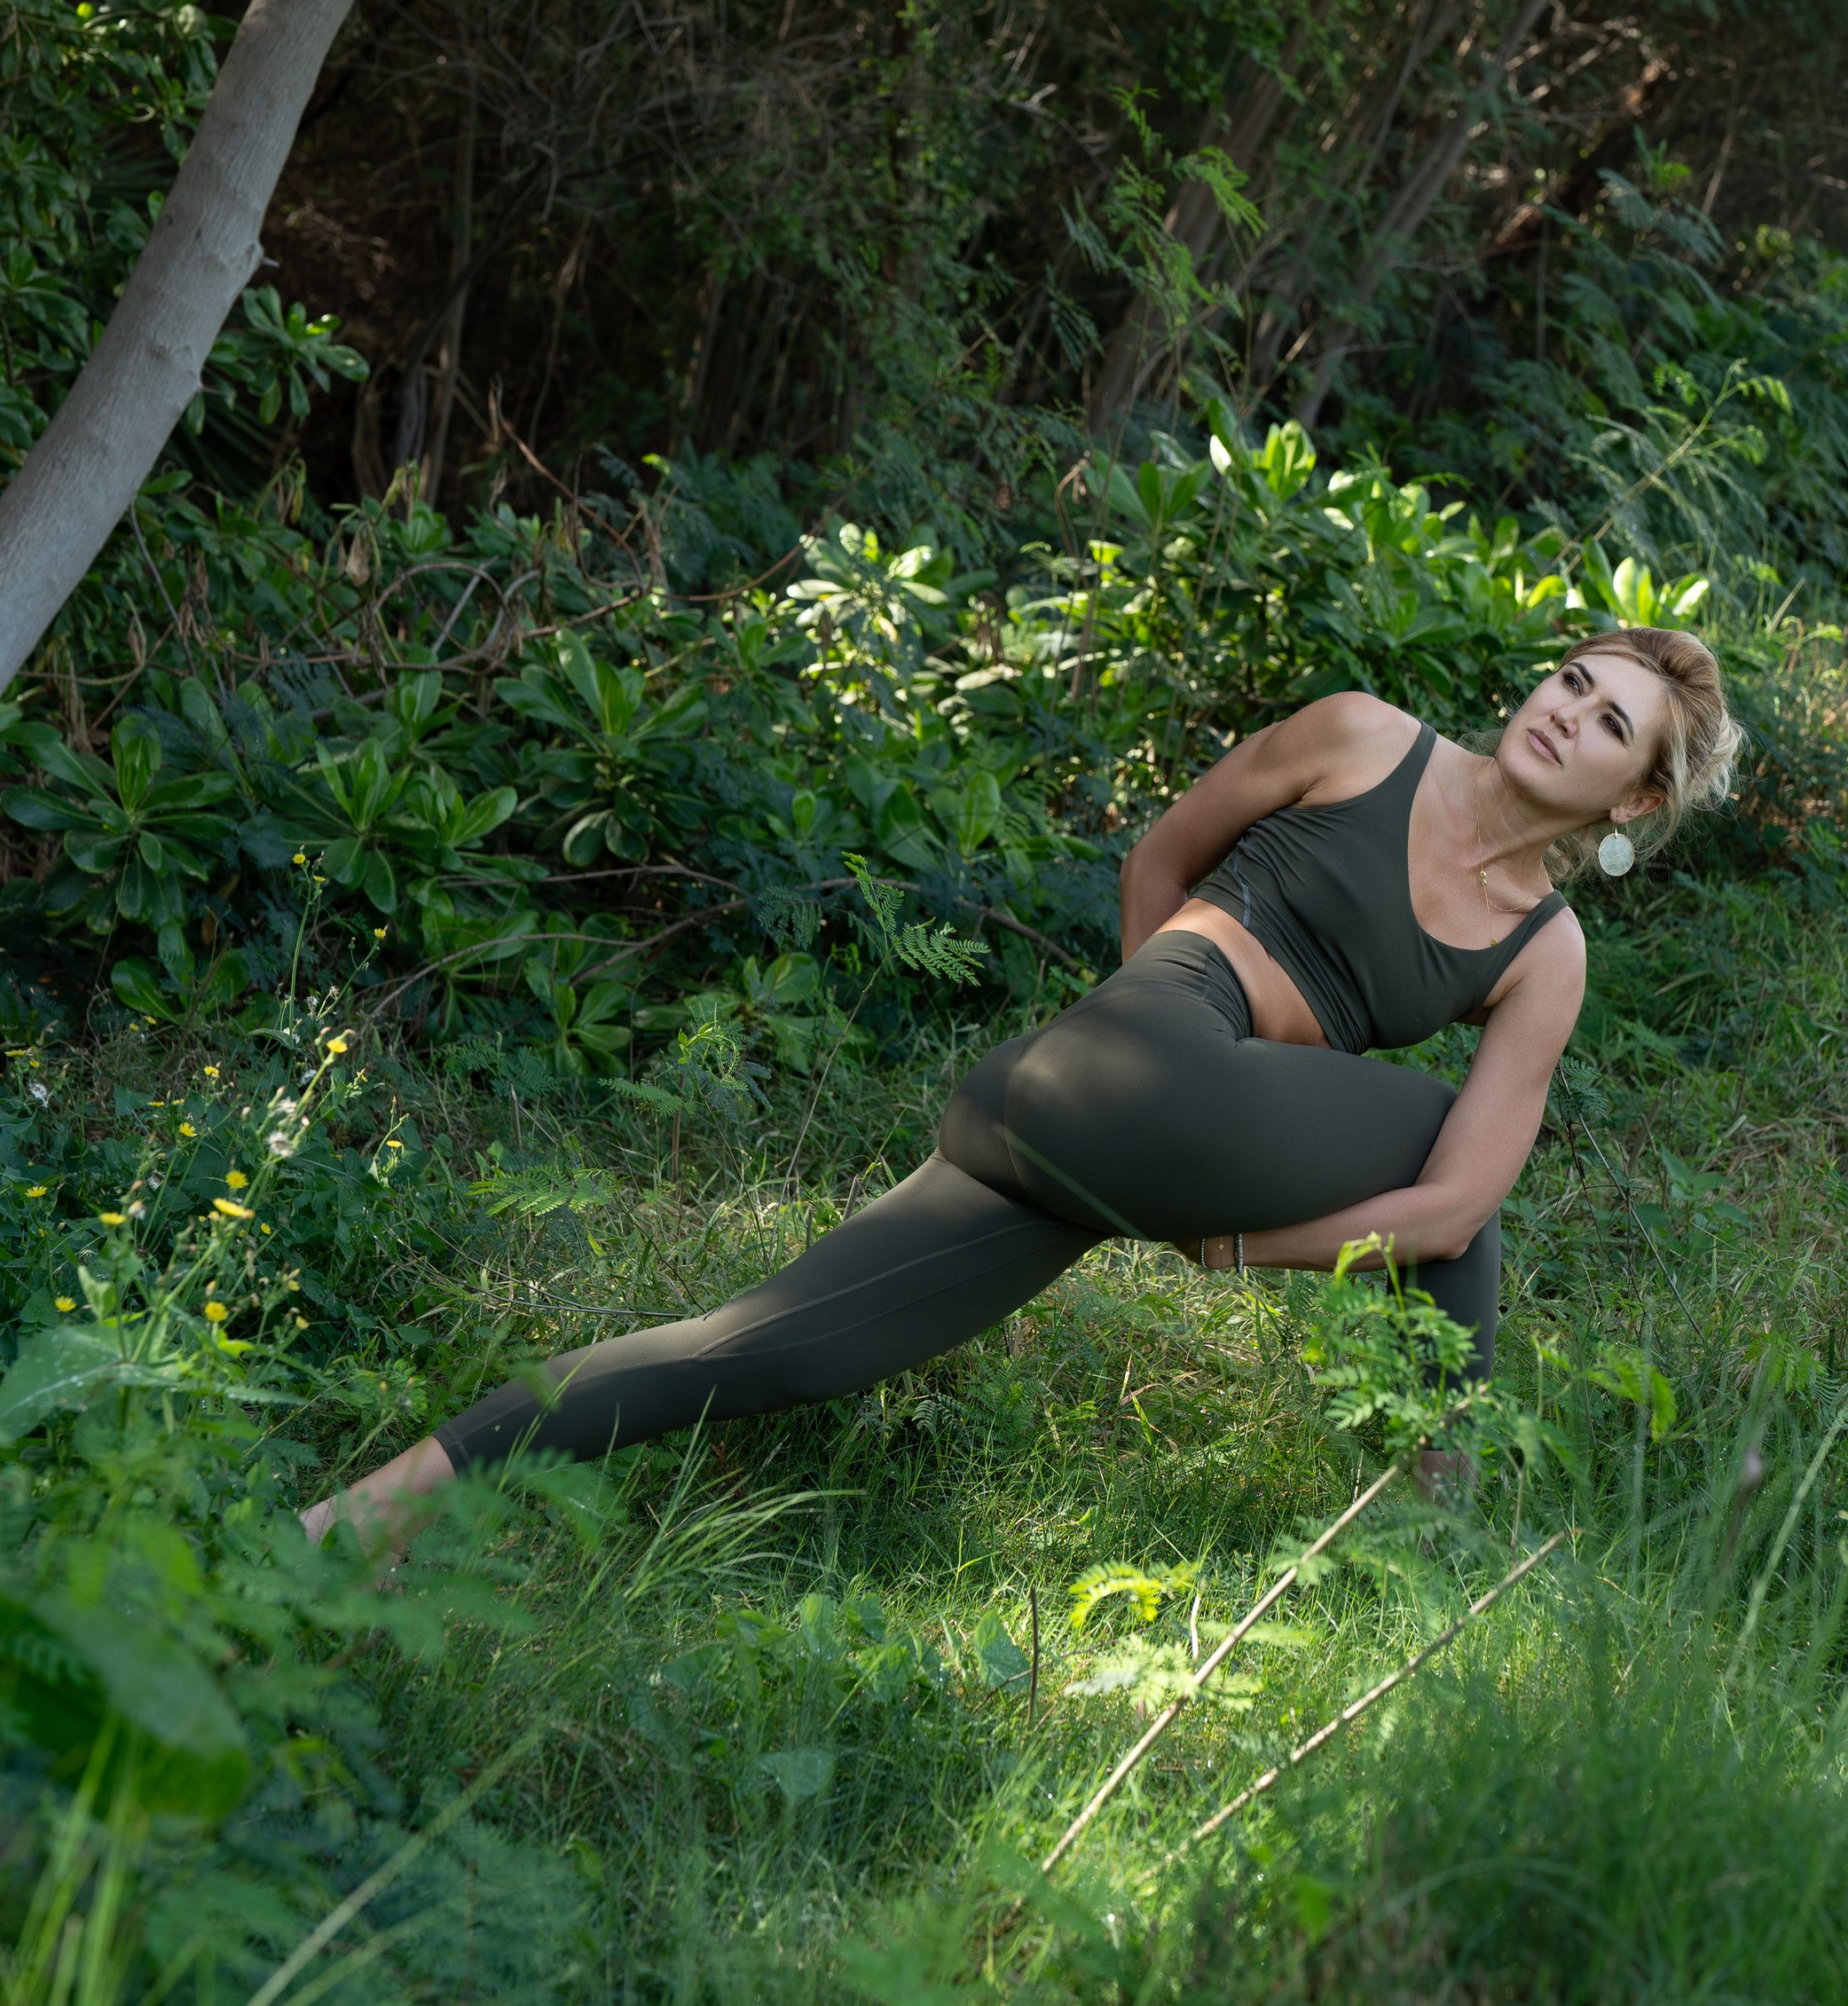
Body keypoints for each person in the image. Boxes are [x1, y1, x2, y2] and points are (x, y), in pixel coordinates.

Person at [303, 626, 1740, 1552]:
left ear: (1629, 805)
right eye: (1572, 679)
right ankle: (1445, 1534)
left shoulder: (1547, 956)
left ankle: (357, 1517)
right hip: (1123, 1064)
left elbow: (1458, 1212)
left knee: (761, 1348)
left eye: (1610, 724)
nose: (1566, 712)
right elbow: (1161, 859)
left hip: (1095, 1126)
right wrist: (1154, 1066)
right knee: (1440, 1144)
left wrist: (1219, 1205)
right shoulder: (1366, 735)